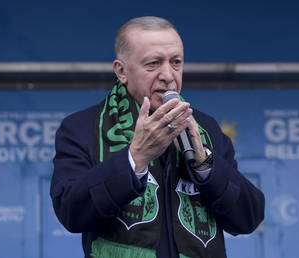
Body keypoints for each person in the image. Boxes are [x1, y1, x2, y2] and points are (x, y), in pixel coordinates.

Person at [50, 16, 265, 258]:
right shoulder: (82, 127)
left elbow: (249, 218)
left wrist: (205, 165)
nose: (168, 75)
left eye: (176, 62)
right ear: (121, 71)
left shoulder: (205, 128)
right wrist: (135, 158)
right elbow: (71, 213)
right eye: (153, 63)